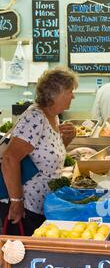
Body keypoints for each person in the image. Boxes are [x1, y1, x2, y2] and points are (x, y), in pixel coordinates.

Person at [0, 67, 78, 236]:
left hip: (43, 205)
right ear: (56, 92)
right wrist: (16, 202)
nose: (73, 96)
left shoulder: (54, 116)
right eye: (70, 91)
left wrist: (67, 139)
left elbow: (48, 156)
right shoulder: (35, 117)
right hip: (26, 208)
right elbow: (9, 158)